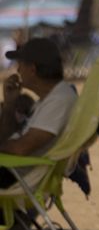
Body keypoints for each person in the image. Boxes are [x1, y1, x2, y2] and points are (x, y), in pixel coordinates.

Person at [0, 39, 79, 190]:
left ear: (32, 69)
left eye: (20, 65)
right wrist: (10, 105)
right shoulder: (51, 99)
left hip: (17, 176)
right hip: (13, 170)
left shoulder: (59, 100)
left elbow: (20, 148)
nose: (17, 71)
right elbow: (8, 139)